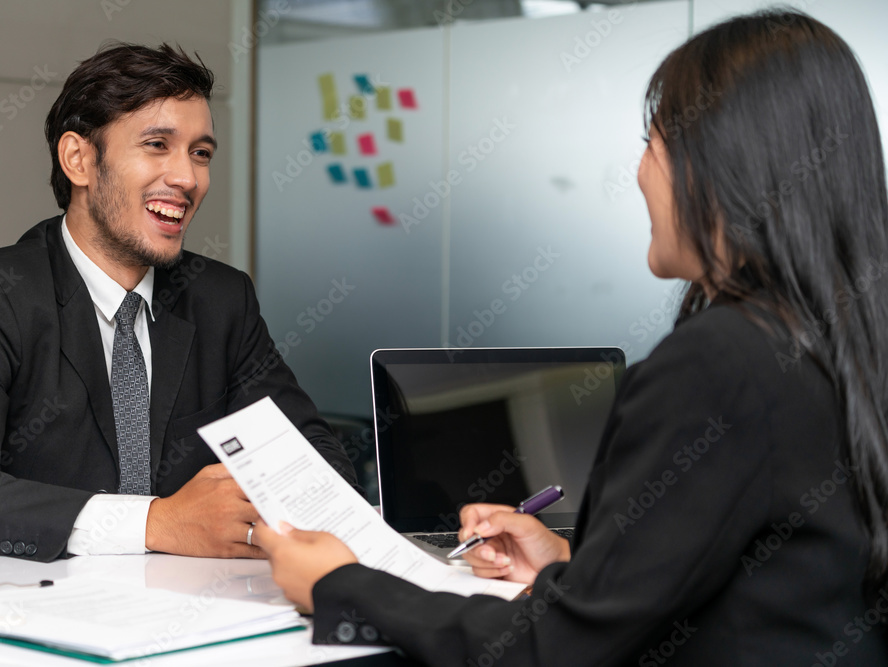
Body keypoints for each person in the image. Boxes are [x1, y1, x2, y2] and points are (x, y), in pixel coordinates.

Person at [256, 10, 888, 665]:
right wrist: (571, 561)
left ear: (720, 160)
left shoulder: (724, 360)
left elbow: (555, 650)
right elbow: (769, 577)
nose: (640, 172)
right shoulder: (838, 340)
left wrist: (341, 583)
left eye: (653, 140)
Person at [0, 43, 361, 562]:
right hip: (41, 613)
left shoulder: (222, 299)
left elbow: (321, 471)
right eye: (158, 144)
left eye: (200, 153)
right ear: (79, 160)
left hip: (205, 612)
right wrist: (155, 522)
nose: (187, 178)